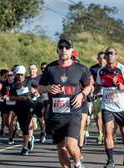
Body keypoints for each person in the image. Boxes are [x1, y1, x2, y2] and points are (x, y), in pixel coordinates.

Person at [39, 38, 91, 168]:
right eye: (61, 47)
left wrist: (81, 95)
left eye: (67, 48)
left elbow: (89, 86)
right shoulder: (51, 68)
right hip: (56, 113)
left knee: (70, 144)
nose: (64, 50)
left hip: (73, 112)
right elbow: (39, 88)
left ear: (72, 51)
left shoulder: (81, 68)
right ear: (57, 50)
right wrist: (48, 88)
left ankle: (78, 164)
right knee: (61, 147)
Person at [97, 47, 124, 168]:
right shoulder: (101, 71)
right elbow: (99, 85)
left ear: (116, 56)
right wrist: (94, 91)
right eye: (107, 54)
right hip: (107, 106)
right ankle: (110, 161)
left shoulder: (122, 69)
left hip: (121, 107)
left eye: (111, 54)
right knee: (107, 133)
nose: (109, 56)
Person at [7, 65, 36, 155]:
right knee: (23, 127)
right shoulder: (14, 85)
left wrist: (35, 92)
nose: (20, 76)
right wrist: (19, 98)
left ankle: (25, 148)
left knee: (26, 126)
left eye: (21, 75)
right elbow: (10, 97)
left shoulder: (29, 81)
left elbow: (39, 87)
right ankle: (29, 139)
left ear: (24, 74)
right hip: (19, 107)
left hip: (29, 106)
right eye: (18, 75)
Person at [89, 51, 106, 145]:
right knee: (98, 116)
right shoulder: (93, 68)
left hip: (108, 95)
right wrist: (92, 85)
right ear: (97, 59)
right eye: (100, 58)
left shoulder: (110, 68)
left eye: (103, 58)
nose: (102, 60)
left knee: (107, 116)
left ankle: (108, 134)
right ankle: (100, 134)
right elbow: (90, 79)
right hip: (97, 94)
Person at [26, 64, 46, 143]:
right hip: (29, 101)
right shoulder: (27, 79)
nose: (32, 71)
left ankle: (43, 132)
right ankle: (30, 138)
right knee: (30, 119)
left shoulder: (40, 78)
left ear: (36, 70)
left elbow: (44, 88)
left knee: (40, 119)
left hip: (39, 101)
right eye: (30, 69)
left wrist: (37, 91)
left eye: (33, 69)